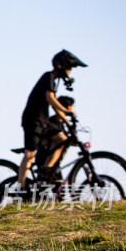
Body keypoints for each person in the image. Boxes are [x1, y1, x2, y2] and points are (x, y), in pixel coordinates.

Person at [18, 50, 87, 191]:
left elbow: (55, 107)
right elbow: (50, 99)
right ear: (62, 66)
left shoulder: (53, 82)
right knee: (30, 154)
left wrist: (67, 121)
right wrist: (67, 111)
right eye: (70, 68)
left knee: (62, 139)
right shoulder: (48, 76)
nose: (70, 72)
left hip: (43, 121)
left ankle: (46, 170)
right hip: (33, 120)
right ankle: (21, 188)